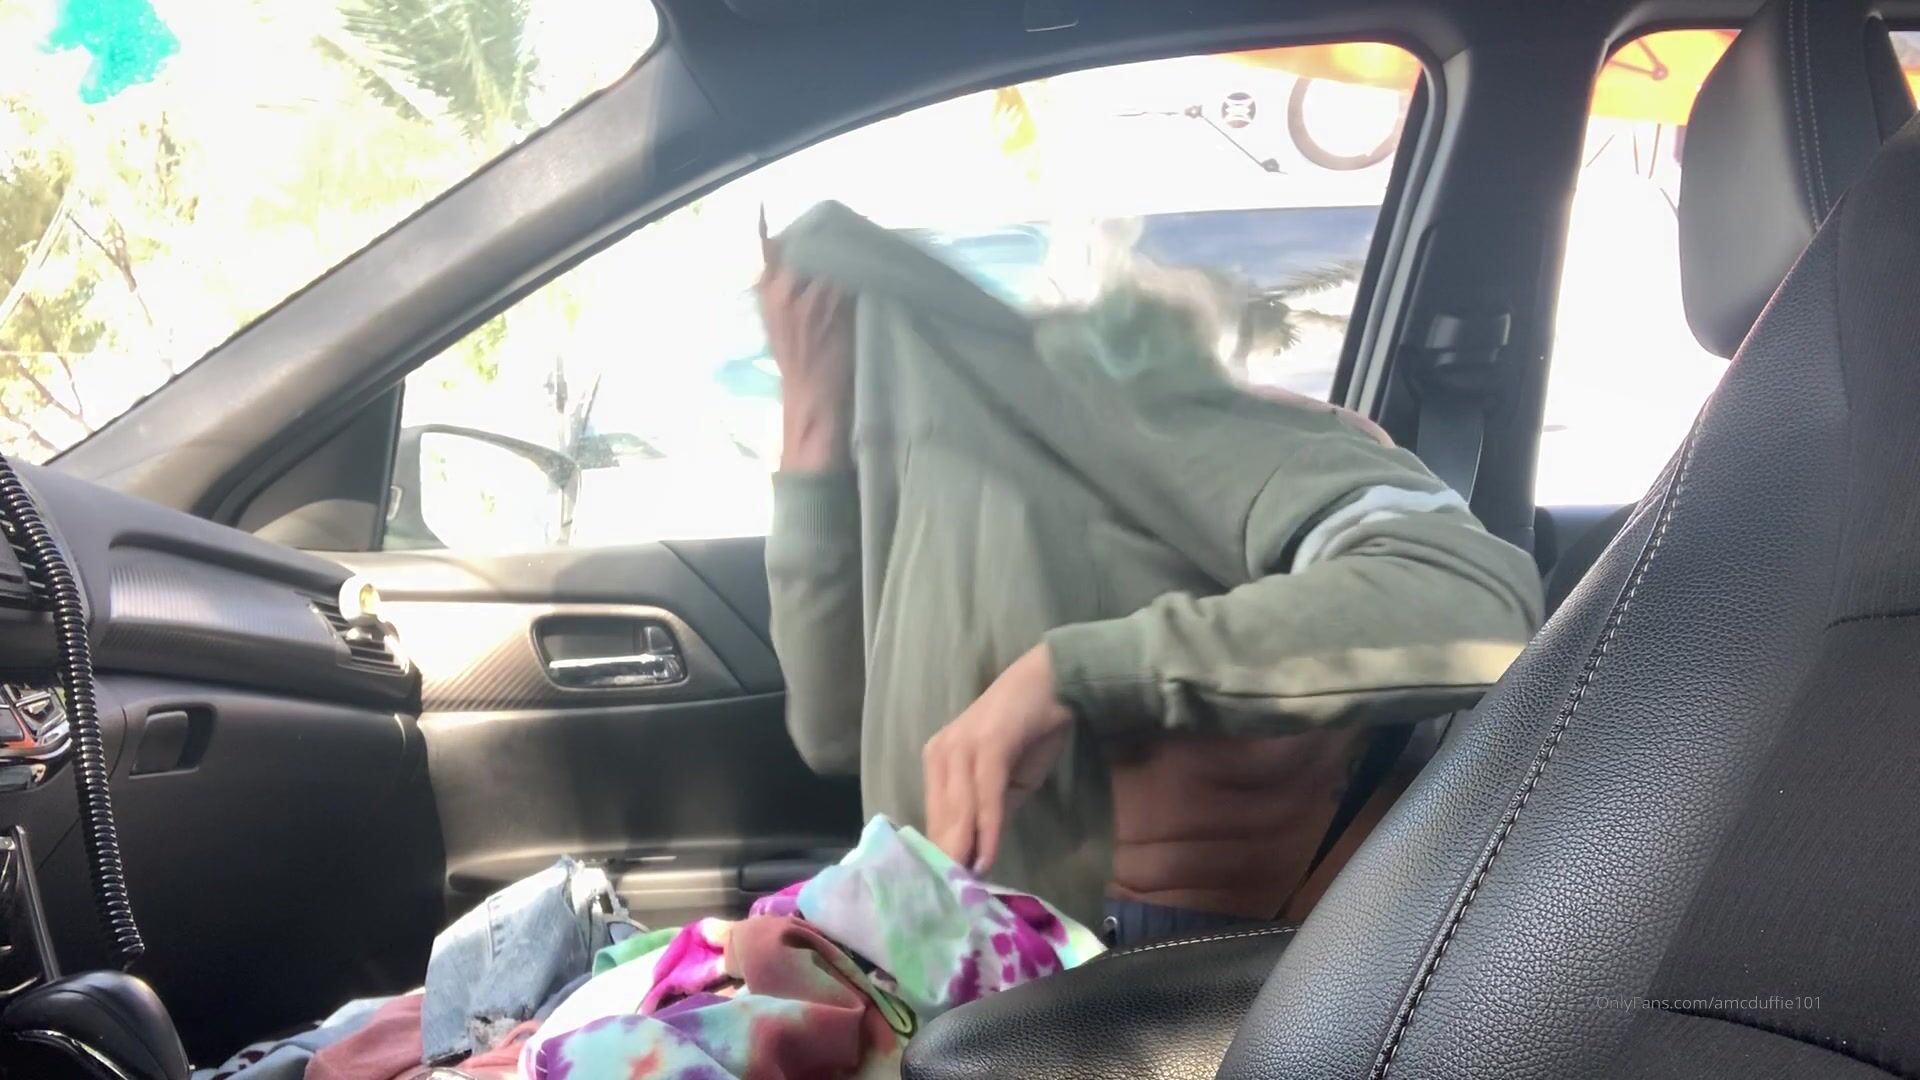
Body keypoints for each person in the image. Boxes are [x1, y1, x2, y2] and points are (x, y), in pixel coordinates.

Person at [760, 202, 1543, 941]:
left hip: (1111, 972)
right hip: (939, 948)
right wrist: (813, 427)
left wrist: (1066, 676)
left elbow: (1477, 604)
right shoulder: (971, 485)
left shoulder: (1256, 441)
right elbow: (833, 733)